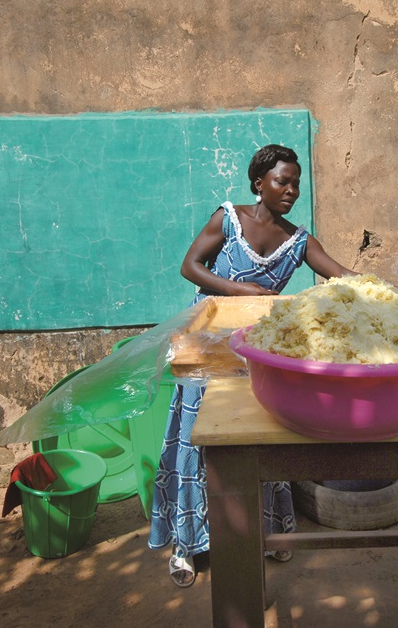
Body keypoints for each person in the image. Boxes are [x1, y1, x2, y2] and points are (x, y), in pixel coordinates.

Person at [148, 144, 358, 587]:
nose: (291, 191)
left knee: (254, 437)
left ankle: (267, 531)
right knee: (197, 438)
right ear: (259, 183)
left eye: (296, 184)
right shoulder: (228, 219)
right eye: (282, 181)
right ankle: (187, 544)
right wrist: (238, 292)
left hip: (257, 352)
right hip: (207, 344)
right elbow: (190, 266)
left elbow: (344, 276)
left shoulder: (296, 240)